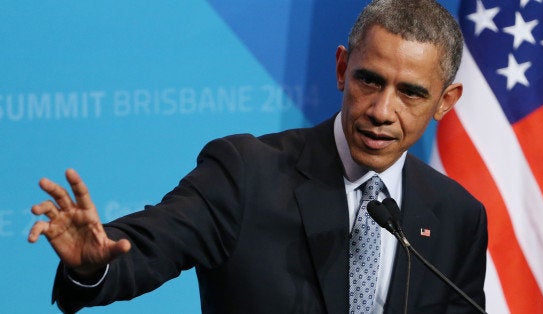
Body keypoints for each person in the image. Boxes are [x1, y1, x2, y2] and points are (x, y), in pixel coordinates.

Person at [28, 0, 487, 313]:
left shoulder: (456, 215)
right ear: (343, 68)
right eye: (369, 80)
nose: (382, 111)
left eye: (410, 93)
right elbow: (148, 245)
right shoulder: (248, 172)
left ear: (445, 102)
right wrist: (93, 266)